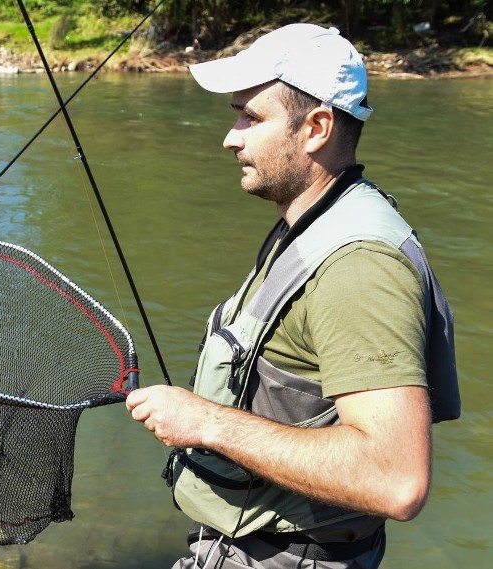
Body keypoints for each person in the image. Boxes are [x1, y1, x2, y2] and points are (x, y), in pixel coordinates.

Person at [125, 23, 460, 569]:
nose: (231, 137)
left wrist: (207, 423)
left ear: (316, 128)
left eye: (250, 117)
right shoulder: (313, 218)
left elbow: (395, 480)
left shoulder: (360, 266)